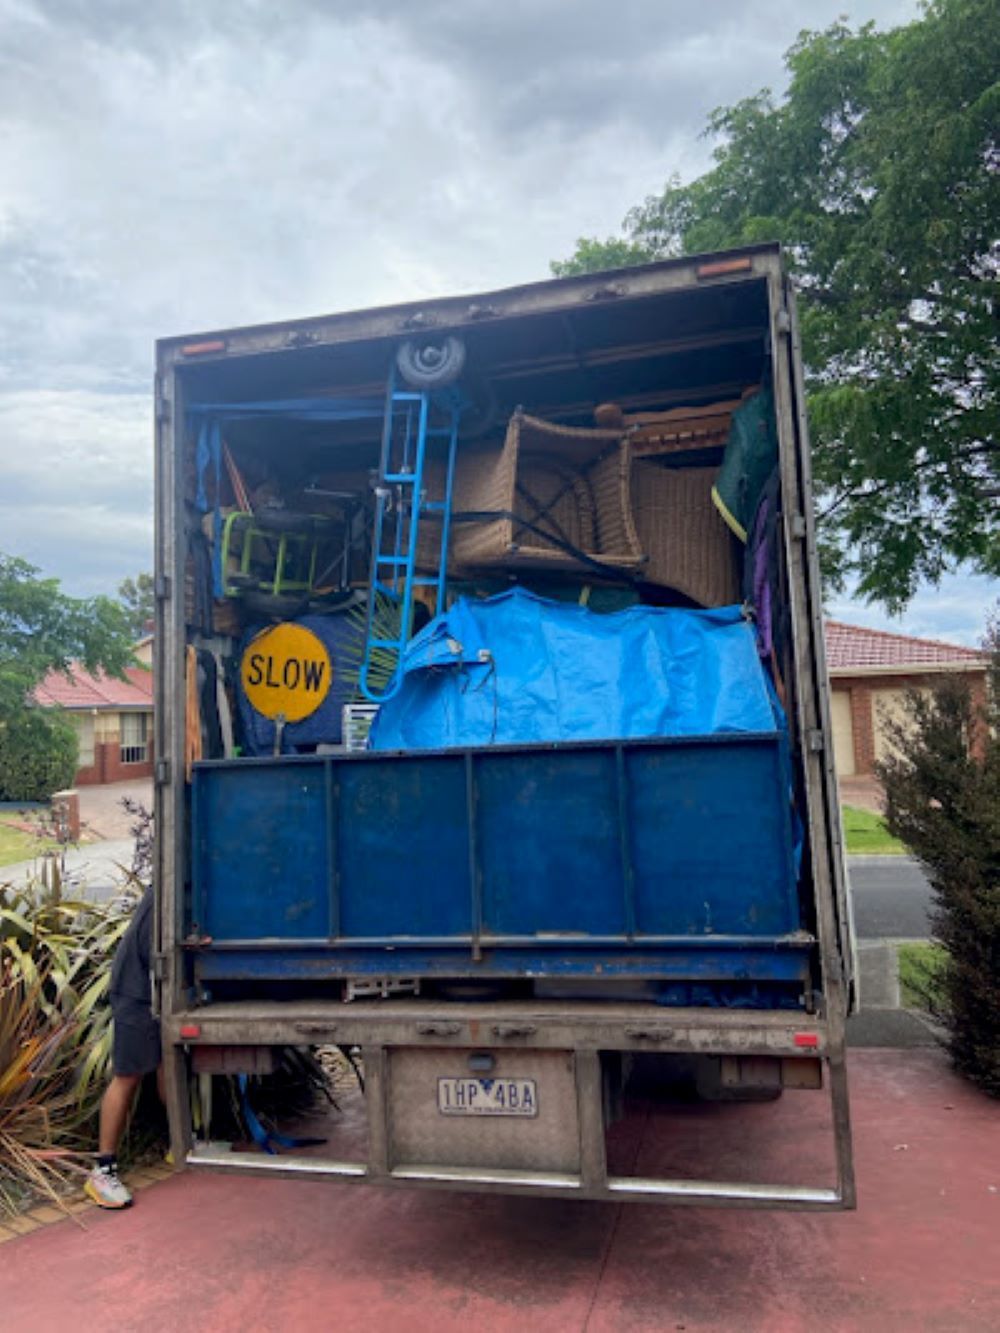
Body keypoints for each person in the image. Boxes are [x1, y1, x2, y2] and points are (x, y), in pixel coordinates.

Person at [85, 885, 162, 1209]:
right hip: (135, 992)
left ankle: (186, 1143)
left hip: (162, 990)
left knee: (167, 1067)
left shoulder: (186, 881)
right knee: (128, 1074)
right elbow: (150, 948)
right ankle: (102, 1170)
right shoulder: (164, 888)